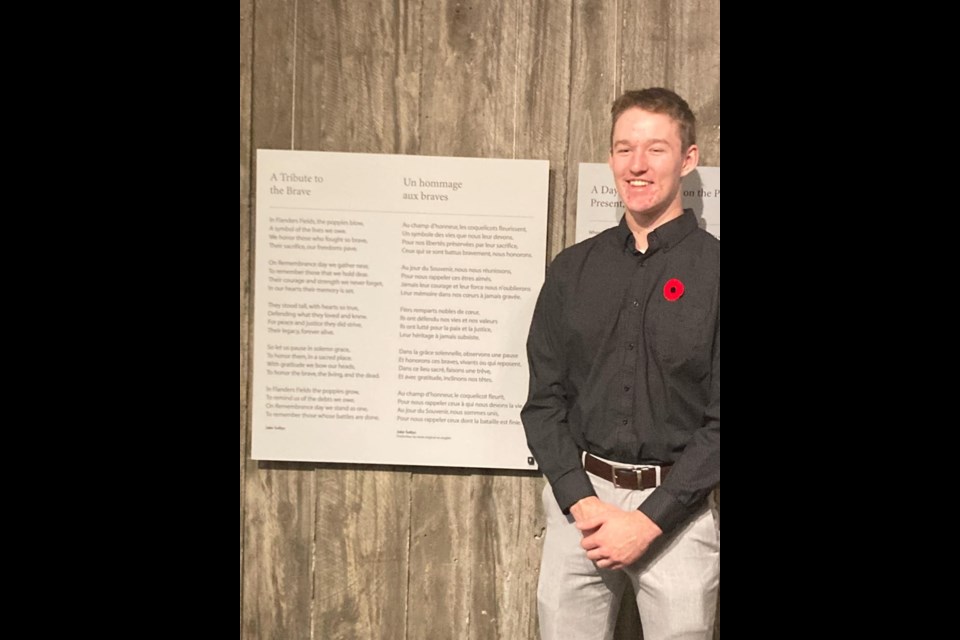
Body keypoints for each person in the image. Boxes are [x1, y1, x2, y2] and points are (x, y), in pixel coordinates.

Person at [521, 87, 720, 640]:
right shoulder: (571, 271)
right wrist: (580, 500)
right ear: (610, 157)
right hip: (578, 508)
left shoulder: (716, 274)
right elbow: (543, 403)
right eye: (624, 148)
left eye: (656, 150)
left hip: (678, 510)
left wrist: (650, 519)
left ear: (688, 159)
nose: (637, 165)